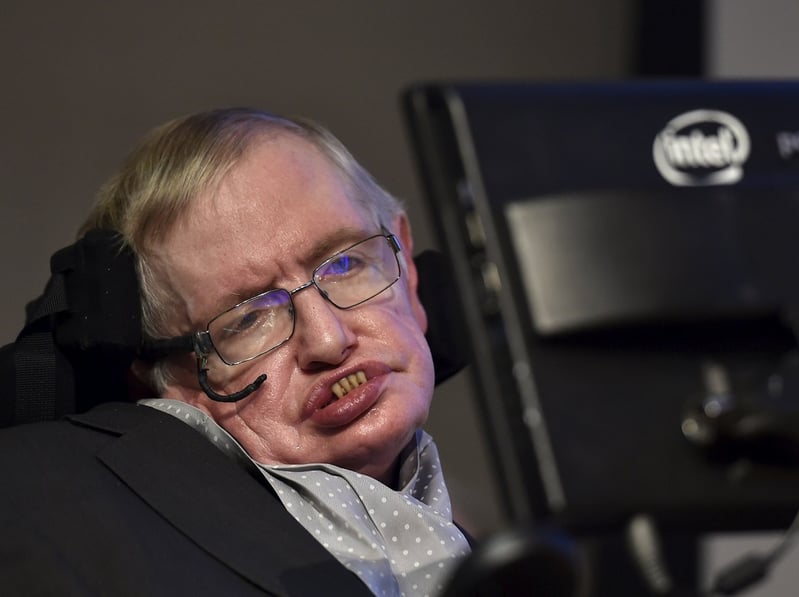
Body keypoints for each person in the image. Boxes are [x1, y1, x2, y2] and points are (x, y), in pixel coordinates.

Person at [0, 108, 472, 596]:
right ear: (164, 377)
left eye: (345, 263)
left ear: (407, 268)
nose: (328, 342)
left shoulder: (471, 535)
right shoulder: (50, 517)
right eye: (248, 318)